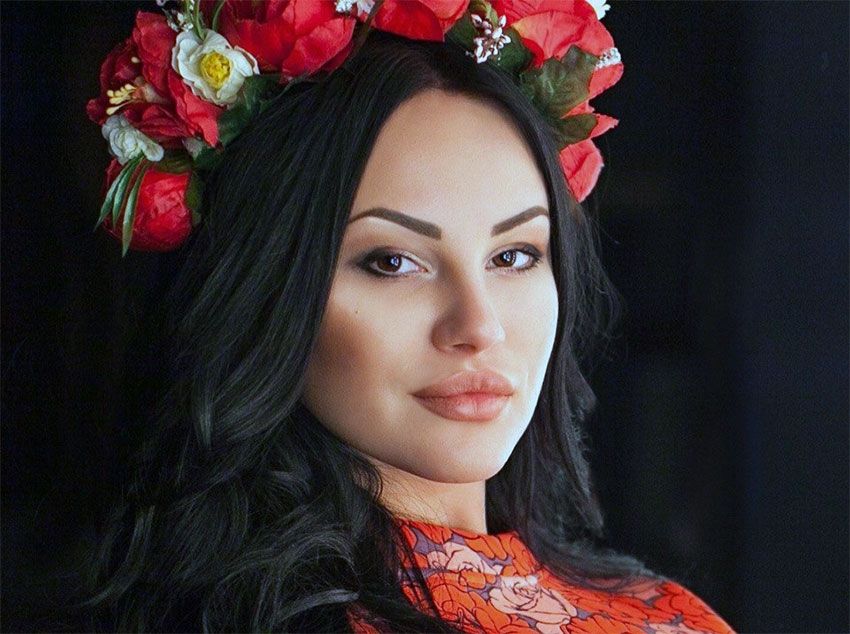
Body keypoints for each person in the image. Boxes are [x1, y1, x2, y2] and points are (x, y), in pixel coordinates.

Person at [76, 1, 736, 632]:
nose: (480, 326)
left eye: (513, 255)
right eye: (393, 262)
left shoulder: (665, 615)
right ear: (271, 289)